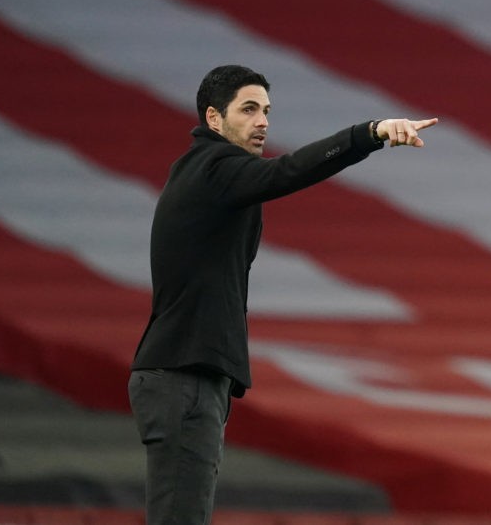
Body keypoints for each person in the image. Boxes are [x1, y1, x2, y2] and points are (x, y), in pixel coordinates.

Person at [127, 65, 437, 525]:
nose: (263, 121)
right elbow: (288, 172)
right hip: (183, 377)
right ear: (214, 119)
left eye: (267, 111)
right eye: (249, 109)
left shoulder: (205, 173)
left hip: (186, 375)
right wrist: (368, 135)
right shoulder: (214, 168)